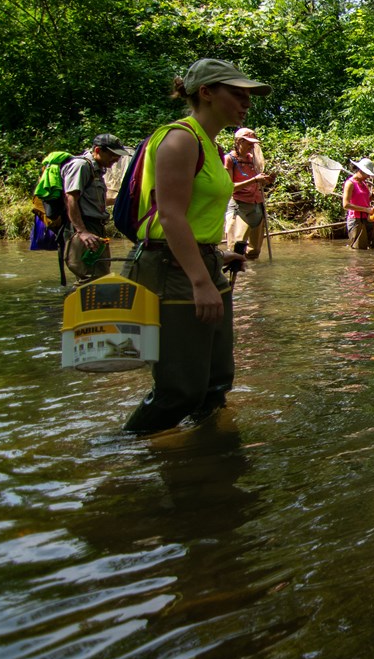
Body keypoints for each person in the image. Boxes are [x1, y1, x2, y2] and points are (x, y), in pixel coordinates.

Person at [121, 58, 268, 435]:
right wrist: (200, 280)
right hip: (172, 269)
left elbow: (194, 217)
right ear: (206, 92)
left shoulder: (211, 146)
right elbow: (169, 216)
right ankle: (120, 455)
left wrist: (216, 257)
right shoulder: (180, 139)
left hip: (201, 262)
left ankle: (205, 459)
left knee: (216, 382)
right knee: (180, 390)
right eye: (237, 94)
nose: (246, 103)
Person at [61, 133, 131, 284]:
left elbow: (94, 201)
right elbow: (71, 199)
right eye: (113, 155)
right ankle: (72, 307)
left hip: (96, 227)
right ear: (98, 151)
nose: (117, 159)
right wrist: (82, 232)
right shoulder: (81, 166)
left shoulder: (97, 170)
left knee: (101, 275)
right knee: (89, 278)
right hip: (84, 227)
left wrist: (123, 200)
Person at [223, 127, 273, 259]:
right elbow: (230, 187)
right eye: (249, 143)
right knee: (236, 248)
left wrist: (265, 180)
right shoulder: (229, 159)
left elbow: (258, 183)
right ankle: (238, 278)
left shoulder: (253, 160)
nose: (252, 146)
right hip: (239, 206)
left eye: (253, 143)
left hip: (257, 204)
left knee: (254, 250)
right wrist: (254, 179)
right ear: (239, 142)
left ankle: (253, 278)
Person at [343, 158, 374, 249]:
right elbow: (346, 205)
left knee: (373, 245)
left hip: (367, 218)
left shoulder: (363, 183)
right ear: (361, 171)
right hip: (356, 219)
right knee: (359, 248)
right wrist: (366, 209)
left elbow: (366, 200)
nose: (368, 177)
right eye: (367, 174)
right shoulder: (350, 183)